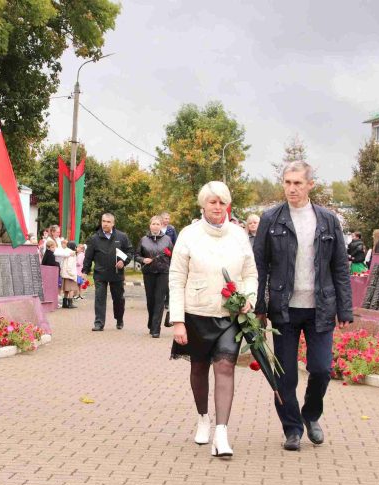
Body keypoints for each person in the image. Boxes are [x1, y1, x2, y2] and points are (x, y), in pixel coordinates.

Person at [253, 160, 352, 452]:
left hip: (320, 307)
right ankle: (292, 429)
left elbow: (340, 268)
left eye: (298, 183)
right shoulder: (271, 219)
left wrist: (344, 309)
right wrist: (259, 305)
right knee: (286, 375)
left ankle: (311, 416)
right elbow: (260, 264)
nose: (292, 188)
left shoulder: (328, 220)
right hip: (284, 308)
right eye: (287, 182)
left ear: (310, 185)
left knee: (321, 369)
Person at [169, 182, 257, 457]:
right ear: (203, 205)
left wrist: (248, 299)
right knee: (198, 369)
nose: (218, 207)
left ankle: (222, 433)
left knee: (225, 367)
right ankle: (203, 417)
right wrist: (178, 321)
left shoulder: (239, 235)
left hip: (230, 315)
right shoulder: (188, 235)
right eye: (212, 202)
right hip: (196, 314)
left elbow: (251, 273)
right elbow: (176, 278)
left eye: (222, 202)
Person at [82, 213, 133, 331]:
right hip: (100, 274)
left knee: (118, 299)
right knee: (99, 298)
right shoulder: (94, 238)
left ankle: (119, 318)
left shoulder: (122, 236)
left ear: (113, 223)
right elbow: (88, 256)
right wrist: (85, 270)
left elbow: (130, 252)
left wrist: (123, 261)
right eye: (103, 221)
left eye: (108, 222)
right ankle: (99, 323)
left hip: (116, 274)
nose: (105, 224)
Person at [136, 215, 173, 338]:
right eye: (153, 224)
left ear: (161, 226)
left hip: (163, 272)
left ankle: (156, 328)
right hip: (149, 273)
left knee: (159, 300)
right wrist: (142, 259)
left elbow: (173, 255)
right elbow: (136, 255)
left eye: (158, 224)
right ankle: (152, 322)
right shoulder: (143, 240)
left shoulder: (167, 239)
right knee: (151, 300)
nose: (155, 226)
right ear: (150, 225)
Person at [54, 239, 79, 308]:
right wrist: (73, 275)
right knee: (71, 289)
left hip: (64, 274)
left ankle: (64, 303)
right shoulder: (72, 254)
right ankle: (70, 303)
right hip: (70, 274)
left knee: (66, 289)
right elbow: (70, 265)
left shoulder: (65, 252)